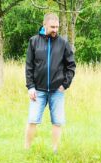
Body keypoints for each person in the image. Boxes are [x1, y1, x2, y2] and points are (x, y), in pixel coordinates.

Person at [24, 13, 76, 153]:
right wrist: (30, 87)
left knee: (57, 122)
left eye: (57, 27)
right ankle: (26, 151)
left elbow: (71, 66)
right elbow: (29, 66)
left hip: (57, 91)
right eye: (52, 27)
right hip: (38, 90)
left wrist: (65, 85)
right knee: (32, 120)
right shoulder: (34, 41)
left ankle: (54, 151)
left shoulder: (63, 43)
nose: (55, 30)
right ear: (44, 25)